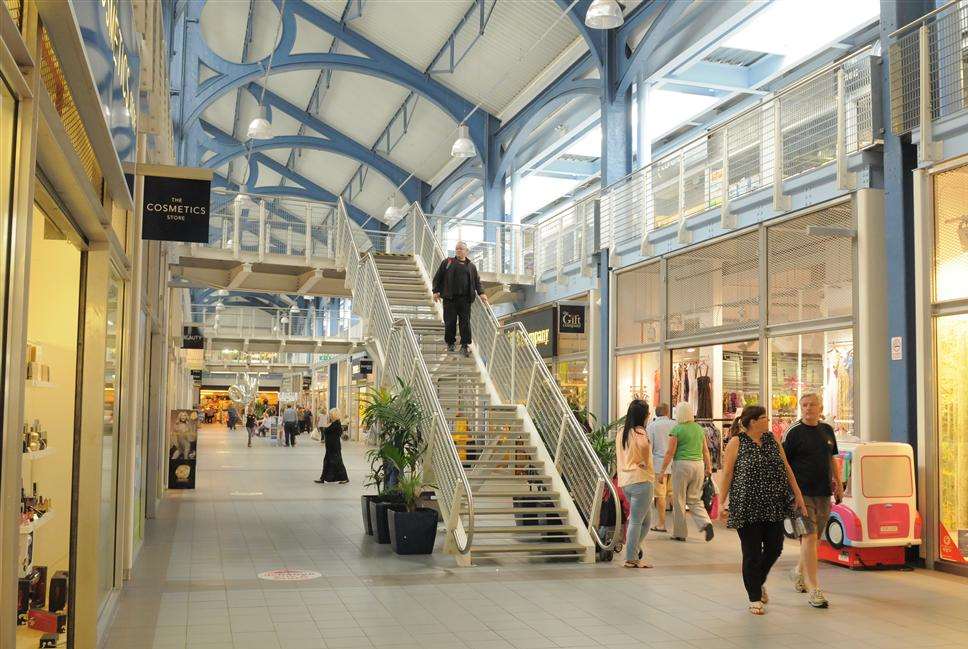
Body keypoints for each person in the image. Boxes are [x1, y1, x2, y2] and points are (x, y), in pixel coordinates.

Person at [719, 406, 808, 615]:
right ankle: (754, 597)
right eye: (763, 417)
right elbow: (727, 474)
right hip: (746, 505)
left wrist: (798, 495)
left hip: (773, 504)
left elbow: (787, 468)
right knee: (751, 553)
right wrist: (721, 503)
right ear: (752, 422)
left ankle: (756, 582)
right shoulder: (736, 442)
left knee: (775, 547)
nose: (768, 420)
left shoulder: (772, 439)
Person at [783, 393, 842, 609]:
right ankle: (814, 587)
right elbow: (784, 463)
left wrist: (838, 482)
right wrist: (789, 492)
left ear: (820, 407)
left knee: (815, 539)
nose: (808, 409)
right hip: (800, 493)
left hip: (823, 492)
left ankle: (798, 571)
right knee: (808, 536)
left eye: (812, 405)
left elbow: (831, 458)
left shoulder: (826, 430)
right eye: (804, 405)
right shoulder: (793, 432)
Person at [659, 402, 714, 542]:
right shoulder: (699, 429)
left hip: (682, 465)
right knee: (695, 498)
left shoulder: (677, 430)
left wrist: (662, 471)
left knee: (679, 499)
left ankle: (680, 533)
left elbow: (670, 452)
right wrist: (708, 467)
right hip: (698, 465)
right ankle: (705, 522)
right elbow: (706, 451)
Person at [615, 400, 654, 568]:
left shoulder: (621, 432)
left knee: (644, 521)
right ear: (643, 415)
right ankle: (631, 557)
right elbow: (644, 446)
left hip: (626, 481)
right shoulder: (640, 432)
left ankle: (634, 548)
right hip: (641, 479)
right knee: (637, 521)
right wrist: (645, 461)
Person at [432, 241, 488, 357]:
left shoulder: (471, 266)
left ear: (466, 251)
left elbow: (477, 281)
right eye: (457, 248)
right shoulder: (448, 262)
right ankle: (451, 343)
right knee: (450, 322)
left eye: (461, 249)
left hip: (465, 300)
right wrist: (435, 291)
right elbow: (438, 277)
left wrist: (481, 293)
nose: (458, 250)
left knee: (465, 323)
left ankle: (464, 345)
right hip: (450, 299)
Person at [646, 403, 675, 532]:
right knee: (674, 495)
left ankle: (661, 523)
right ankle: (679, 525)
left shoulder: (652, 426)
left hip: (658, 465)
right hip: (674, 464)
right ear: (667, 412)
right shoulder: (674, 425)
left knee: (660, 495)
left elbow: (649, 447)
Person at [315, 408, 350, 484]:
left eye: (330, 414)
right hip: (330, 447)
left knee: (337, 462)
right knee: (328, 462)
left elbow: (336, 433)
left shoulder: (336, 424)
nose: (329, 415)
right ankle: (323, 478)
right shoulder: (333, 423)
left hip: (334, 447)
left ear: (334, 415)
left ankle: (344, 478)